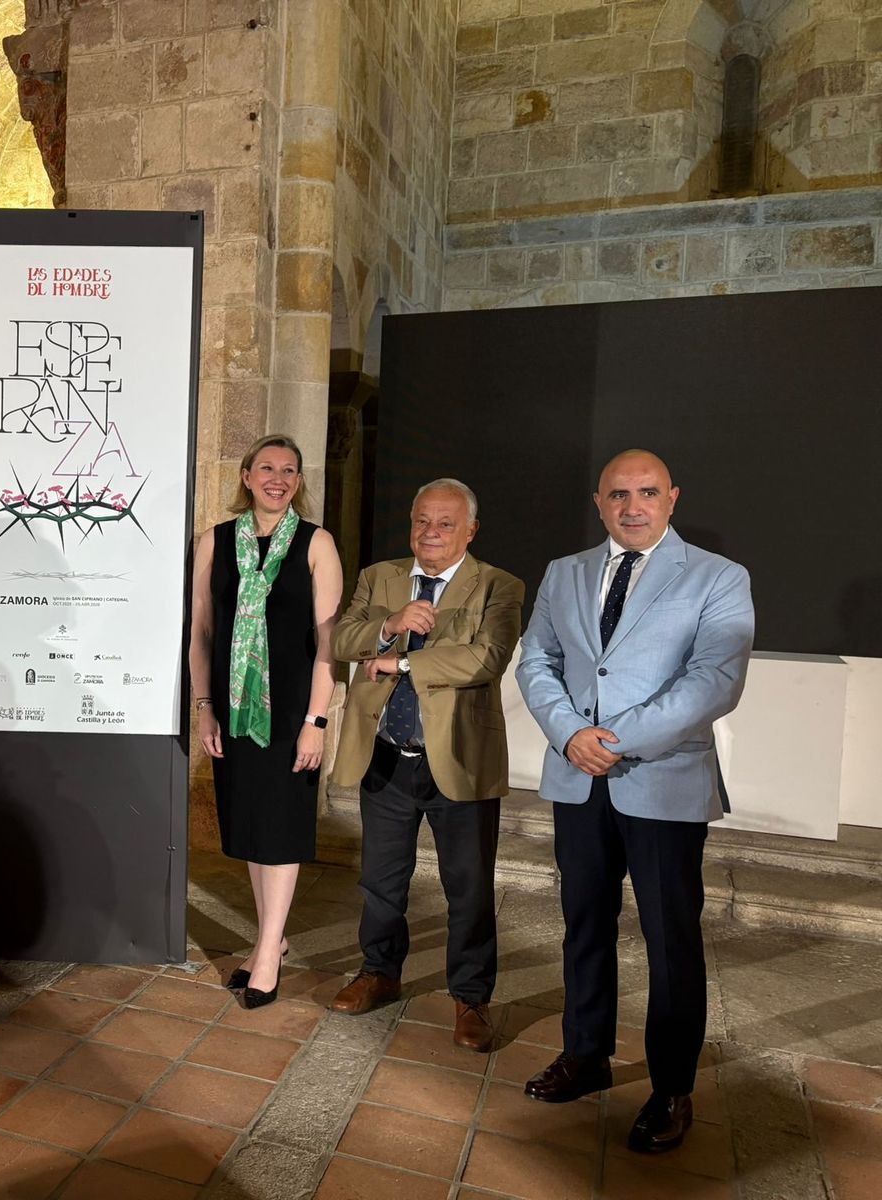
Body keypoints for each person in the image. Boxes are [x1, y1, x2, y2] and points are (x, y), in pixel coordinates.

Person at [516, 449, 752, 1154]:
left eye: (647, 492)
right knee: (583, 923)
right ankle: (585, 1054)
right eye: (618, 494)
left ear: (672, 497)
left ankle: (672, 1087)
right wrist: (569, 734)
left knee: (670, 941)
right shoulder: (565, 572)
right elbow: (537, 661)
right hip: (577, 776)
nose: (632, 506)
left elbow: (715, 680)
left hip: (662, 782)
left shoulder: (718, 577)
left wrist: (613, 739)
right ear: (599, 502)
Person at [328, 479, 524, 1050]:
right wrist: (388, 627)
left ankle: (470, 998)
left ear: (470, 530)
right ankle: (379, 972)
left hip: (458, 759)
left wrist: (401, 664)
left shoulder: (497, 584)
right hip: (387, 756)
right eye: (421, 521)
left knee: (467, 887)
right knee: (381, 881)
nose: (429, 533)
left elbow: (486, 657)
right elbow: (343, 638)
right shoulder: (379, 577)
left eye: (444, 523)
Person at [189, 434, 342, 1010]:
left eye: (290, 470)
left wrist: (317, 720)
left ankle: (268, 953)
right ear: (247, 475)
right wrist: (205, 707)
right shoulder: (214, 541)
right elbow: (201, 632)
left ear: (298, 482)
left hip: (290, 714)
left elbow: (328, 640)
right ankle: (267, 946)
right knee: (254, 831)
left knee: (279, 833)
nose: (278, 477)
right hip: (232, 710)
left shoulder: (316, 542)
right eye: (268, 468)